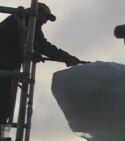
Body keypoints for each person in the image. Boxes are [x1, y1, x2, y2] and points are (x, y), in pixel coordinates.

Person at [0, 2, 81, 133]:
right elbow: (42, 44)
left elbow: (20, 43)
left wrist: (32, 54)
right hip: (3, 67)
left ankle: (3, 135)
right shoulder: (28, 20)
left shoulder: (21, 22)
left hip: (6, 66)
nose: (45, 22)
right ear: (38, 14)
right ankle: (2, 136)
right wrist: (65, 56)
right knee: (3, 108)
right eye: (45, 18)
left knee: (5, 109)